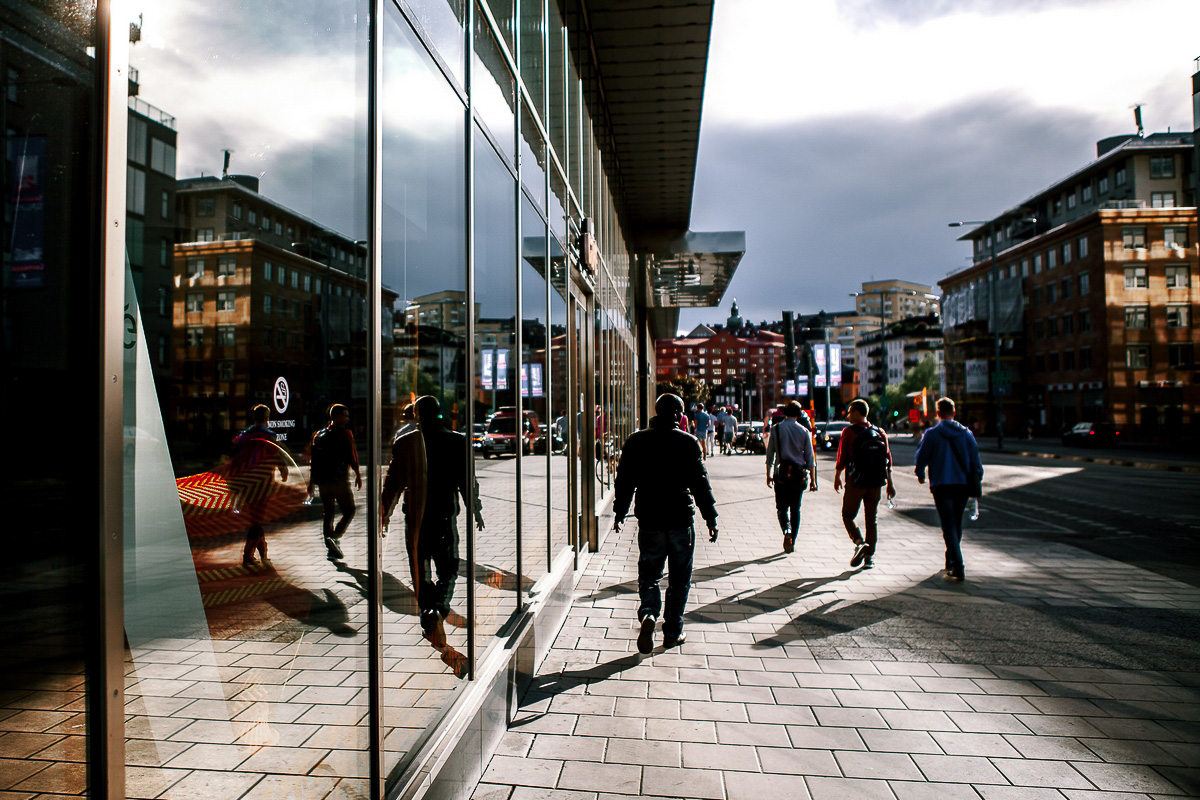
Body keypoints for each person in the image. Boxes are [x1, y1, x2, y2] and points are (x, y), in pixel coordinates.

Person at [613, 393, 718, 655]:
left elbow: (624, 481)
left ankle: (648, 613)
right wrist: (711, 517)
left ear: (657, 412)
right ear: (679, 415)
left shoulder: (637, 441)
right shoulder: (689, 442)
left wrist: (619, 512)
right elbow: (700, 484)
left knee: (649, 574)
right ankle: (672, 631)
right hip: (681, 518)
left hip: (650, 518)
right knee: (680, 578)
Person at [381, 396, 484, 647]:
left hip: (415, 517)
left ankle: (428, 612)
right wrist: (475, 508)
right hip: (443, 514)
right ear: (440, 413)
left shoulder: (404, 442)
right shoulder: (457, 441)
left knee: (419, 570)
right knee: (447, 569)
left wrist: (385, 512)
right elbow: (466, 480)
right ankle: (438, 608)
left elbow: (393, 481)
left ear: (416, 415)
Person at [915, 397, 983, 581]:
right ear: (954, 412)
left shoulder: (931, 434)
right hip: (962, 485)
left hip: (941, 485)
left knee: (948, 525)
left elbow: (921, 457)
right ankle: (951, 559)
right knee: (956, 522)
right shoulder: (967, 434)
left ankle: (958, 565)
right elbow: (976, 463)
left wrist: (920, 472)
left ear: (937, 413)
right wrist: (977, 481)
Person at [833, 399, 895, 569]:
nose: (848, 415)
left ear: (859, 413)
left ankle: (860, 542)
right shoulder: (880, 432)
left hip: (856, 481)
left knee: (848, 515)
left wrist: (837, 476)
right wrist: (890, 484)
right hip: (876, 482)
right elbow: (887, 460)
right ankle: (869, 558)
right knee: (871, 520)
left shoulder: (849, 432)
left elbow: (842, 457)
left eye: (851, 411)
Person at [229, 404, 289, 567]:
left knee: (256, 519)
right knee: (257, 520)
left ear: (254, 418)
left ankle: (263, 554)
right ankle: (248, 555)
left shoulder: (243, 436)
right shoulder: (268, 434)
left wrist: (234, 484)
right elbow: (276, 453)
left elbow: (234, 459)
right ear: (267, 418)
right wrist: (283, 469)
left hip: (245, 483)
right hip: (262, 483)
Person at [308, 404, 362, 561]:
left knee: (328, 514)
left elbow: (315, 461)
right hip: (339, 481)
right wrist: (357, 473)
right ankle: (335, 536)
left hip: (324, 483)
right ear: (336, 416)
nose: (347, 418)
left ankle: (330, 549)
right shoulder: (346, 434)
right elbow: (351, 456)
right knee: (349, 510)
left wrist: (312, 482)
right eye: (344, 415)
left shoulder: (318, 435)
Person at [764, 401, 817, 554]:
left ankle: (786, 530)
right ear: (799, 415)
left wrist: (768, 474)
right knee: (796, 509)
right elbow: (810, 459)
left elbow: (770, 455)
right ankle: (793, 538)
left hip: (781, 475)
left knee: (781, 508)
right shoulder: (804, 431)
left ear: (785, 413)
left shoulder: (776, 429)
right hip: (798, 476)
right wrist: (813, 481)